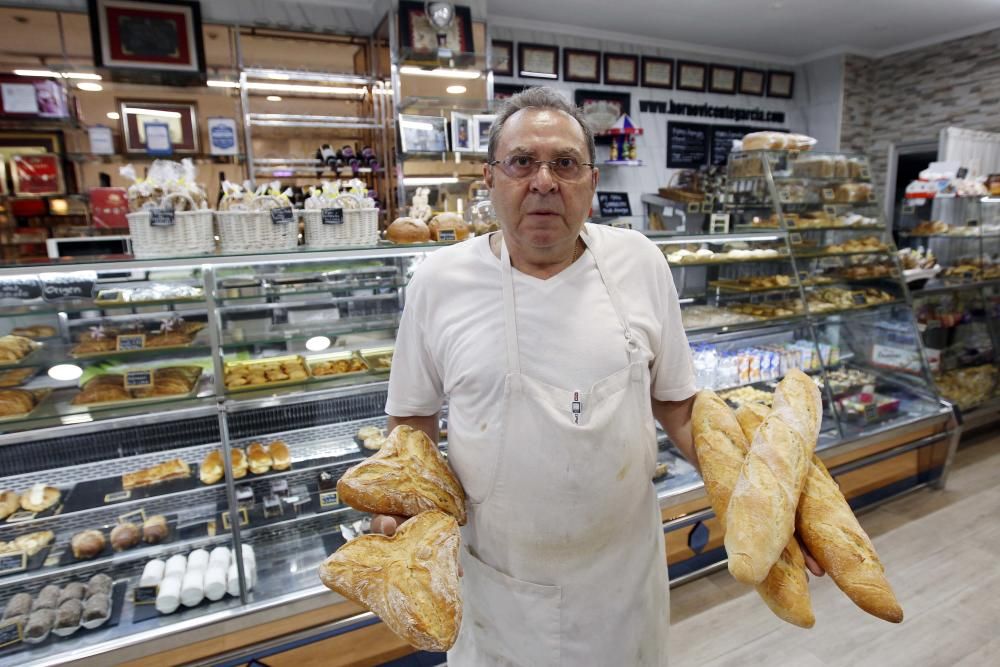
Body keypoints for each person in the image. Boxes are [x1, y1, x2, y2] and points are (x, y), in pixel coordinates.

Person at [379, 87, 818, 665]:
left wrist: (767, 506)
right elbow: (411, 422)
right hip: (499, 583)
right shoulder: (439, 282)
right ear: (489, 179)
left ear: (591, 180)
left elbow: (680, 408)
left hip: (623, 582)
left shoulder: (639, 262)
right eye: (521, 162)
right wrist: (397, 508)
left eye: (564, 163)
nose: (543, 182)